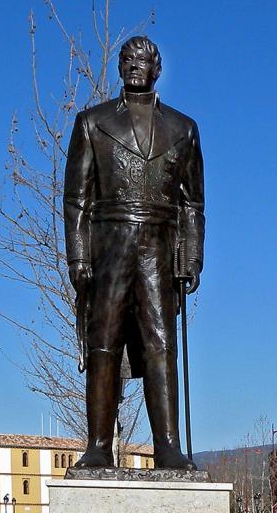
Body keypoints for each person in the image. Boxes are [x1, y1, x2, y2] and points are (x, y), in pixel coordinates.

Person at [64, 35, 204, 469]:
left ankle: (167, 445)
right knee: (103, 343)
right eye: (126, 59)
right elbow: (76, 198)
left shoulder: (183, 129)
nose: (133, 66)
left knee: (160, 343)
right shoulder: (92, 122)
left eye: (142, 60)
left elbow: (192, 203)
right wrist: (79, 256)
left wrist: (191, 256)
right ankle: (99, 446)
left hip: (159, 248)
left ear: (157, 68)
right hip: (109, 246)